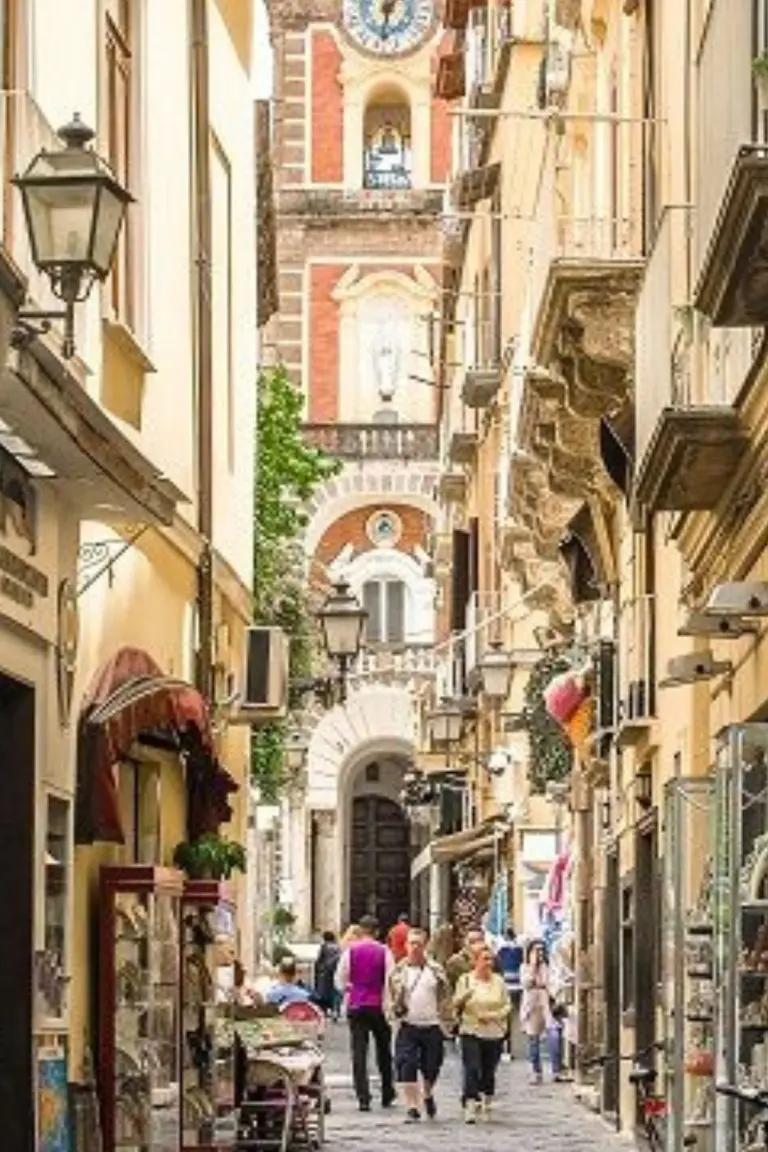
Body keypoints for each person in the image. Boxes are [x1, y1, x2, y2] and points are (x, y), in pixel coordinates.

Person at [386, 927, 451, 1123]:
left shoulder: (436, 971)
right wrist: (392, 1013)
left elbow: (446, 996)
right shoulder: (398, 971)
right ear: (406, 946)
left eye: (419, 944)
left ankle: (427, 1094)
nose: (415, 948)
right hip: (408, 1024)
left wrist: (448, 1019)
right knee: (406, 1064)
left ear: (425, 946)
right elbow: (389, 996)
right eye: (412, 943)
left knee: (432, 1066)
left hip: (432, 1025)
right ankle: (412, 1106)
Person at [336, 914, 396, 1112]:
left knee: (359, 1053)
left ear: (360, 931)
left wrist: (349, 989)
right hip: (378, 1005)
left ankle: (363, 1096)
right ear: (378, 932)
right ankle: (387, 1091)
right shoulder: (384, 952)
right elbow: (390, 979)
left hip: (357, 1005)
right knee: (384, 1051)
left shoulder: (349, 952)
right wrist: (388, 1003)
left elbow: (340, 979)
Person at [454, 944, 510, 1124]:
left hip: (494, 1031)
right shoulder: (465, 980)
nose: (488, 963)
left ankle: (487, 1101)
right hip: (471, 1029)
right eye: (484, 959)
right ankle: (470, 1103)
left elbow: (507, 1005)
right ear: (475, 961)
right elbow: (455, 1003)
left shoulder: (499, 981)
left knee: (488, 1069)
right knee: (471, 1067)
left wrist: (493, 1015)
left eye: (491, 959)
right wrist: (464, 997)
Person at [520, 939, 563, 1084]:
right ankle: (536, 1071)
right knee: (533, 1040)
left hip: (546, 1004)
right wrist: (532, 967)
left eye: (541, 950)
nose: (539, 953)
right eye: (536, 950)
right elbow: (527, 982)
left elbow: (552, 983)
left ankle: (556, 1070)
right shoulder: (524, 967)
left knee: (554, 1036)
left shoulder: (548, 967)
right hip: (532, 1005)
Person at [496, 927, 524, 1058]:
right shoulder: (520, 950)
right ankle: (511, 1046)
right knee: (513, 1016)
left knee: (504, 1016)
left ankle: (505, 1047)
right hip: (517, 984)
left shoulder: (501, 950)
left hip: (505, 984)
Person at [314, 930, 342, 1020]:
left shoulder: (324, 946)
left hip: (325, 972)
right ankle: (335, 1010)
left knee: (324, 992)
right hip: (335, 971)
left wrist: (318, 970)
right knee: (335, 992)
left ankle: (324, 1011)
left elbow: (319, 960)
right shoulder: (338, 947)